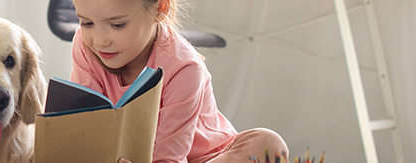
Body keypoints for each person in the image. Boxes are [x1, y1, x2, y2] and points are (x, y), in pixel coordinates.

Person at [67, 0, 289, 162]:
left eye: (117, 25)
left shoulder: (184, 67)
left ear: (160, 9)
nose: (100, 40)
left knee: (267, 142)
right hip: (128, 154)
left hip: (204, 157)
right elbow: (87, 125)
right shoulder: (85, 46)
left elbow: (168, 156)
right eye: (87, 23)